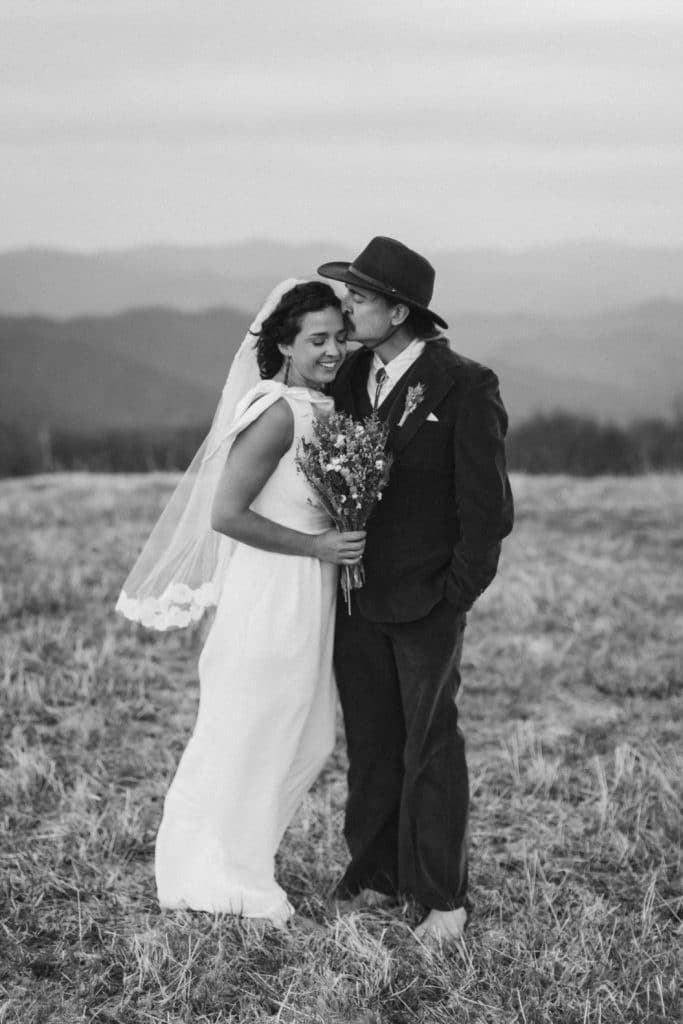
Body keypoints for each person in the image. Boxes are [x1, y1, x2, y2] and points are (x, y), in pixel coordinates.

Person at [116, 280, 365, 928]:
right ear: (283, 342)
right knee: (250, 730)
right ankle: (214, 872)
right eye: (317, 339)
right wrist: (315, 544)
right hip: (272, 593)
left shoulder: (320, 407)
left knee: (304, 738)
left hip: (307, 591)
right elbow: (226, 513)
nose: (333, 350)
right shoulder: (277, 410)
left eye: (340, 337)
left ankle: (242, 859)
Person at [318, 237, 514, 941]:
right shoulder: (347, 378)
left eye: (360, 298)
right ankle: (373, 875)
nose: (348, 309)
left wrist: (452, 594)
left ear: (398, 310)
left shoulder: (464, 383)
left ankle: (442, 897)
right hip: (354, 598)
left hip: (427, 600)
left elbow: (488, 509)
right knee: (371, 742)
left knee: (431, 744)